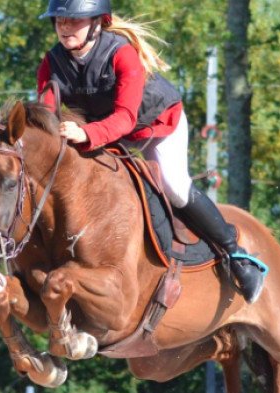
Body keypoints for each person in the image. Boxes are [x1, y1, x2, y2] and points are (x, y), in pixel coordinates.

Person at [37, 0, 266, 303]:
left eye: (73, 20)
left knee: (173, 186)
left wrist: (86, 133)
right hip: (106, 133)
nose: (64, 27)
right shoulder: (51, 63)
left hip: (155, 125)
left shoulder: (121, 54)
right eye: (59, 21)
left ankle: (236, 255)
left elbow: (125, 118)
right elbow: (45, 117)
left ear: (97, 23)